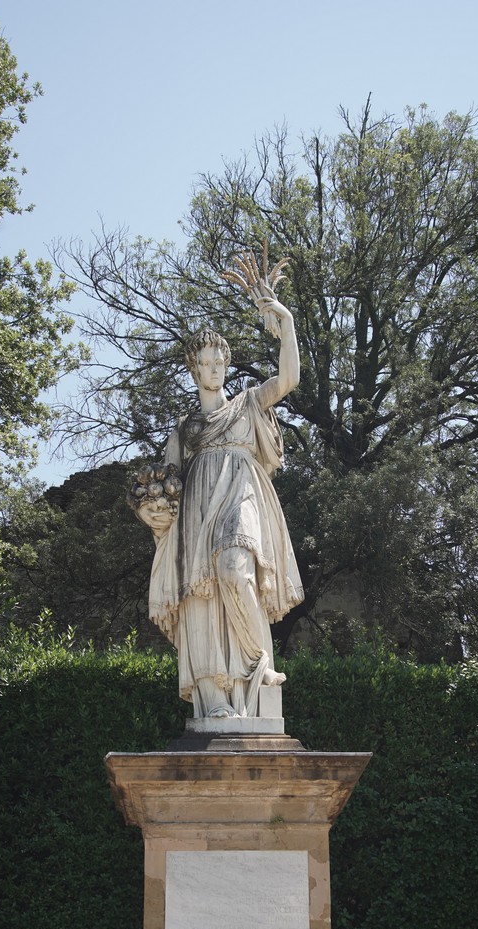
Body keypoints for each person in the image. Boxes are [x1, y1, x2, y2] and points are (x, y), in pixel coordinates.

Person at [138, 251, 304, 718]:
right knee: (202, 595)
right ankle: (214, 698)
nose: (214, 369)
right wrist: (154, 516)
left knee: (235, 569)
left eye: (220, 361)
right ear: (194, 368)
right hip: (197, 509)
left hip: (241, 491)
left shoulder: (248, 403)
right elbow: (163, 491)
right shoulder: (184, 428)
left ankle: (259, 665)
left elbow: (288, 377)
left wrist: (286, 323)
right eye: (206, 363)